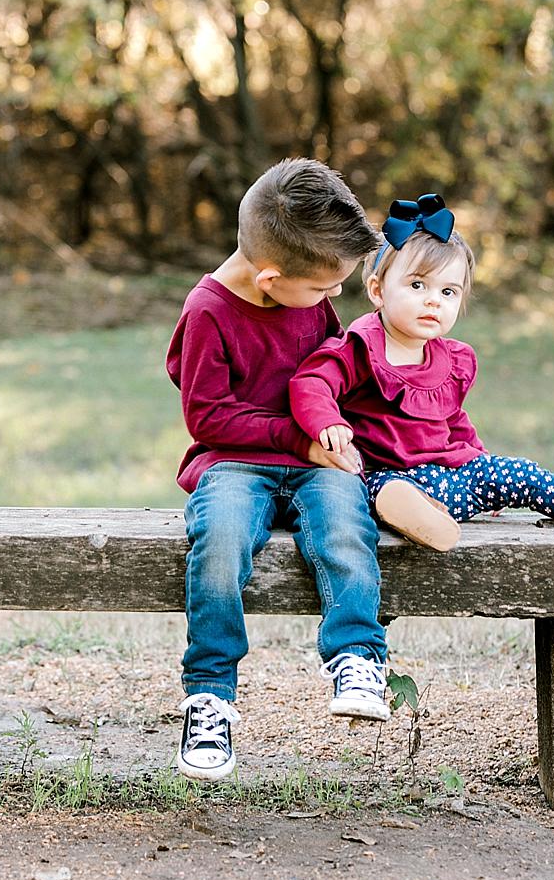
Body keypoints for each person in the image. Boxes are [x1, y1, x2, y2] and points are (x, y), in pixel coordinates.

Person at [164, 157, 389, 782]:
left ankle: (357, 655)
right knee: (221, 544)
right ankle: (209, 695)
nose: (331, 300)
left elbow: (330, 370)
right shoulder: (209, 312)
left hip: (316, 460)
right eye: (322, 290)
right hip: (235, 461)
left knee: (347, 525)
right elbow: (208, 418)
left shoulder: (306, 292)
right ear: (269, 277)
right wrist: (298, 437)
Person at [286, 193, 554, 552]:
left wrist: (481, 463)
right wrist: (327, 423)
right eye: (417, 285)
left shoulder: (449, 360)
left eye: (448, 292)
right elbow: (311, 383)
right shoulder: (360, 347)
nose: (433, 300)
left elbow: (454, 421)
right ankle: (418, 516)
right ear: (377, 290)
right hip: (386, 475)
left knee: (520, 473)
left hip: (449, 476)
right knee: (381, 491)